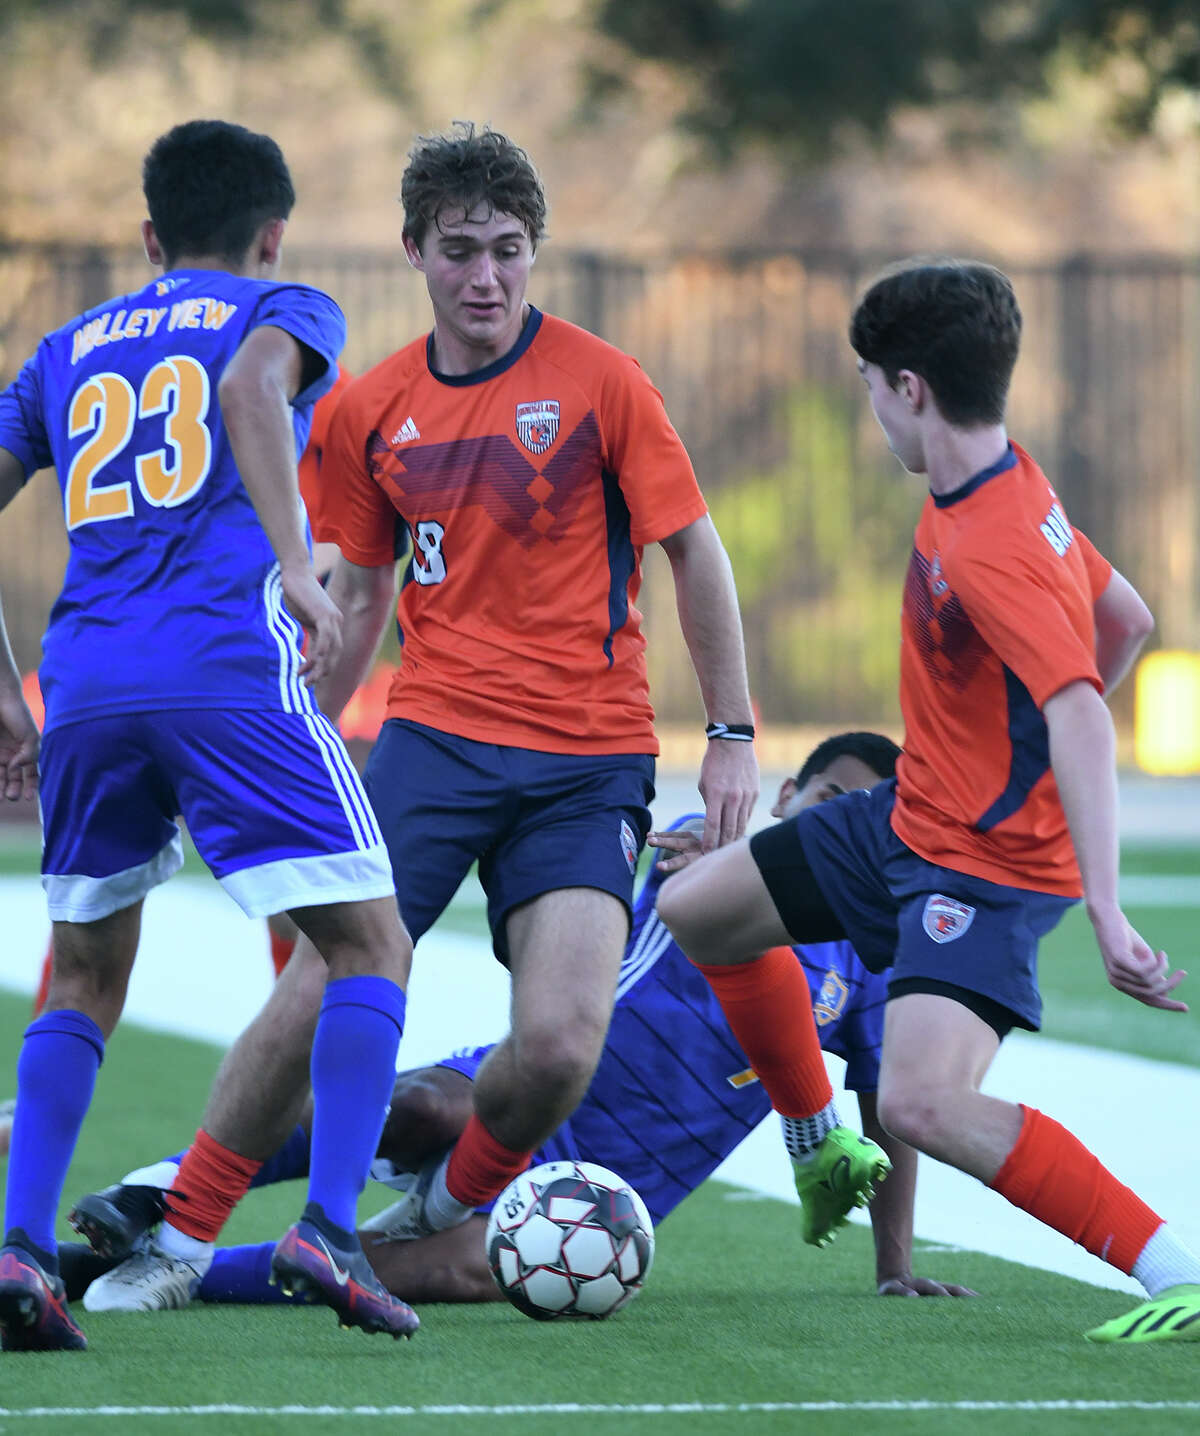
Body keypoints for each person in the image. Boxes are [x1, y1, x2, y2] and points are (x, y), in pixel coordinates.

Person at [74, 118, 787, 1310]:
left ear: (533, 253)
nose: (488, 276)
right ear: (415, 249)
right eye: (461, 249)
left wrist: (729, 732)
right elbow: (356, 599)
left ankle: (449, 1197)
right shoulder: (372, 411)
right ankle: (183, 1227)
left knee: (560, 1046)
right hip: (434, 742)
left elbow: (693, 554)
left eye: (510, 249)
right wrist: (286, 752)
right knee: (318, 983)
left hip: (588, 762)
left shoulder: (605, 382)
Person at [653, 257, 1200, 1345]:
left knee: (919, 1103)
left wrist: (1100, 901)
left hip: (983, 868)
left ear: (909, 388)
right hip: (906, 820)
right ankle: (819, 1140)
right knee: (697, 906)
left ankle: (1172, 1269)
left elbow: (1085, 706)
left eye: (867, 387)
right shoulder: (1008, 488)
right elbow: (1128, 617)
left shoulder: (994, 543)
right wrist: (1011, 754)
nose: (869, 414)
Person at [63, 733, 975, 1308]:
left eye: (859, 818)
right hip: (523, 1087)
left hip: (609, 1186)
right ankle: (168, 1190)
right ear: (788, 801)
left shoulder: (868, 960)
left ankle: (132, 1272)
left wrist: (892, 1264)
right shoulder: (720, 858)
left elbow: (887, 1110)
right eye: (827, 804)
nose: (835, 827)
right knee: (420, 1108)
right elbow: (684, 899)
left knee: (440, 1268)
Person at [0, 120, 421, 1350]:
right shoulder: (286, 304)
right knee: (371, 942)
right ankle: (329, 1225)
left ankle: (22, 1249)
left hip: (83, 686)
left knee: (79, 975)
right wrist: (298, 566)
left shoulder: (68, 347)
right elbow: (248, 388)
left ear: (149, 236)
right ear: (272, 231)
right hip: (225, 671)